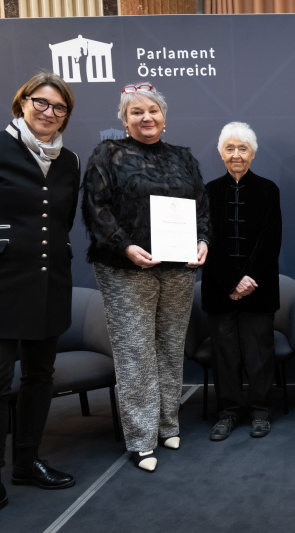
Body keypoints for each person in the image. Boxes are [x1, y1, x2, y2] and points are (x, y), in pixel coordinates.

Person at [0, 71, 78, 533]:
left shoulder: (69, 160)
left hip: (48, 284)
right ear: (21, 103)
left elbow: (61, 219)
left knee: (40, 377)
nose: (48, 112)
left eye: (59, 108)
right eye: (40, 102)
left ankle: (27, 461)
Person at [81, 83, 209, 472]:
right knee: (136, 353)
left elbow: (201, 207)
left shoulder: (183, 158)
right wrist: (125, 247)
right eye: (136, 112)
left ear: (164, 118)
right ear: (124, 119)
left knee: (170, 349)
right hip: (126, 269)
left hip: (178, 269)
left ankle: (168, 423)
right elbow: (95, 209)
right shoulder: (108, 154)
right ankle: (140, 439)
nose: (146, 117)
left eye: (152, 110)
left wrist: (202, 240)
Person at [203, 122, 282, 442]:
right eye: (230, 148)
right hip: (219, 288)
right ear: (221, 153)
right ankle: (228, 412)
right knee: (225, 354)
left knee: (258, 352)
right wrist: (232, 282)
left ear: (253, 153)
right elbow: (207, 239)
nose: (237, 154)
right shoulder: (207, 191)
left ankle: (261, 411)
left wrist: (248, 279)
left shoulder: (268, 189)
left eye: (243, 148)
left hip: (259, 286)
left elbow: (270, 238)